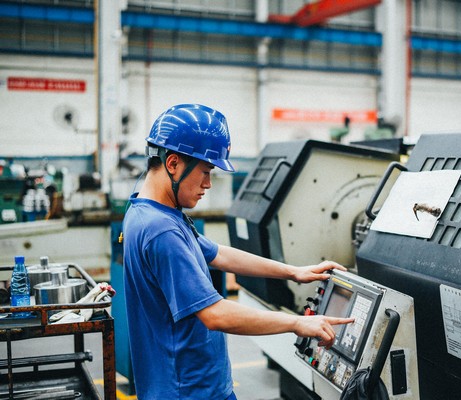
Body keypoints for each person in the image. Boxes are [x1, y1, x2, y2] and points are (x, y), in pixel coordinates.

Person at [122, 104, 354, 400]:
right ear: (173, 163)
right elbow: (215, 314)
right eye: (205, 171)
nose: (208, 184)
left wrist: (294, 272)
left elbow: (220, 254)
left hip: (183, 385)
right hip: (188, 392)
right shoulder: (162, 230)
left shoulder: (150, 211)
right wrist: (297, 323)